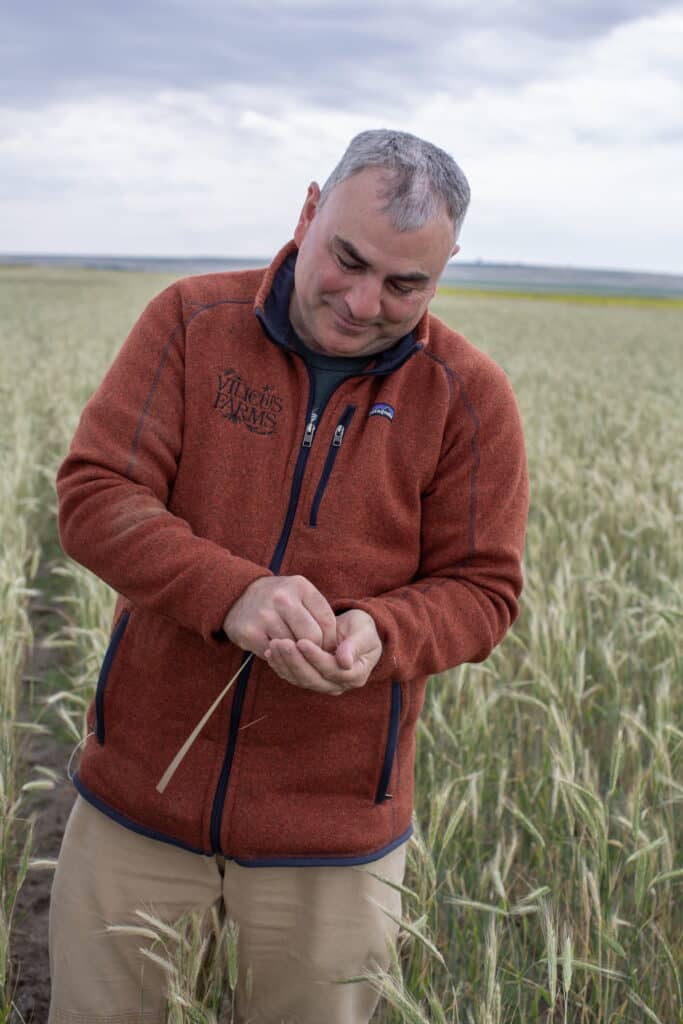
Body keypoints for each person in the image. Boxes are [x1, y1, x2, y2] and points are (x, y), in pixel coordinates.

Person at [49, 129, 529, 1023]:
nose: (361, 302)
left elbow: (483, 590)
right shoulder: (192, 323)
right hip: (136, 807)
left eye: (404, 285)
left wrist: (383, 634)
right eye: (347, 260)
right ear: (309, 210)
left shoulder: (467, 396)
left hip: (334, 844)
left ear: (445, 270)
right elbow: (94, 495)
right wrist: (232, 594)